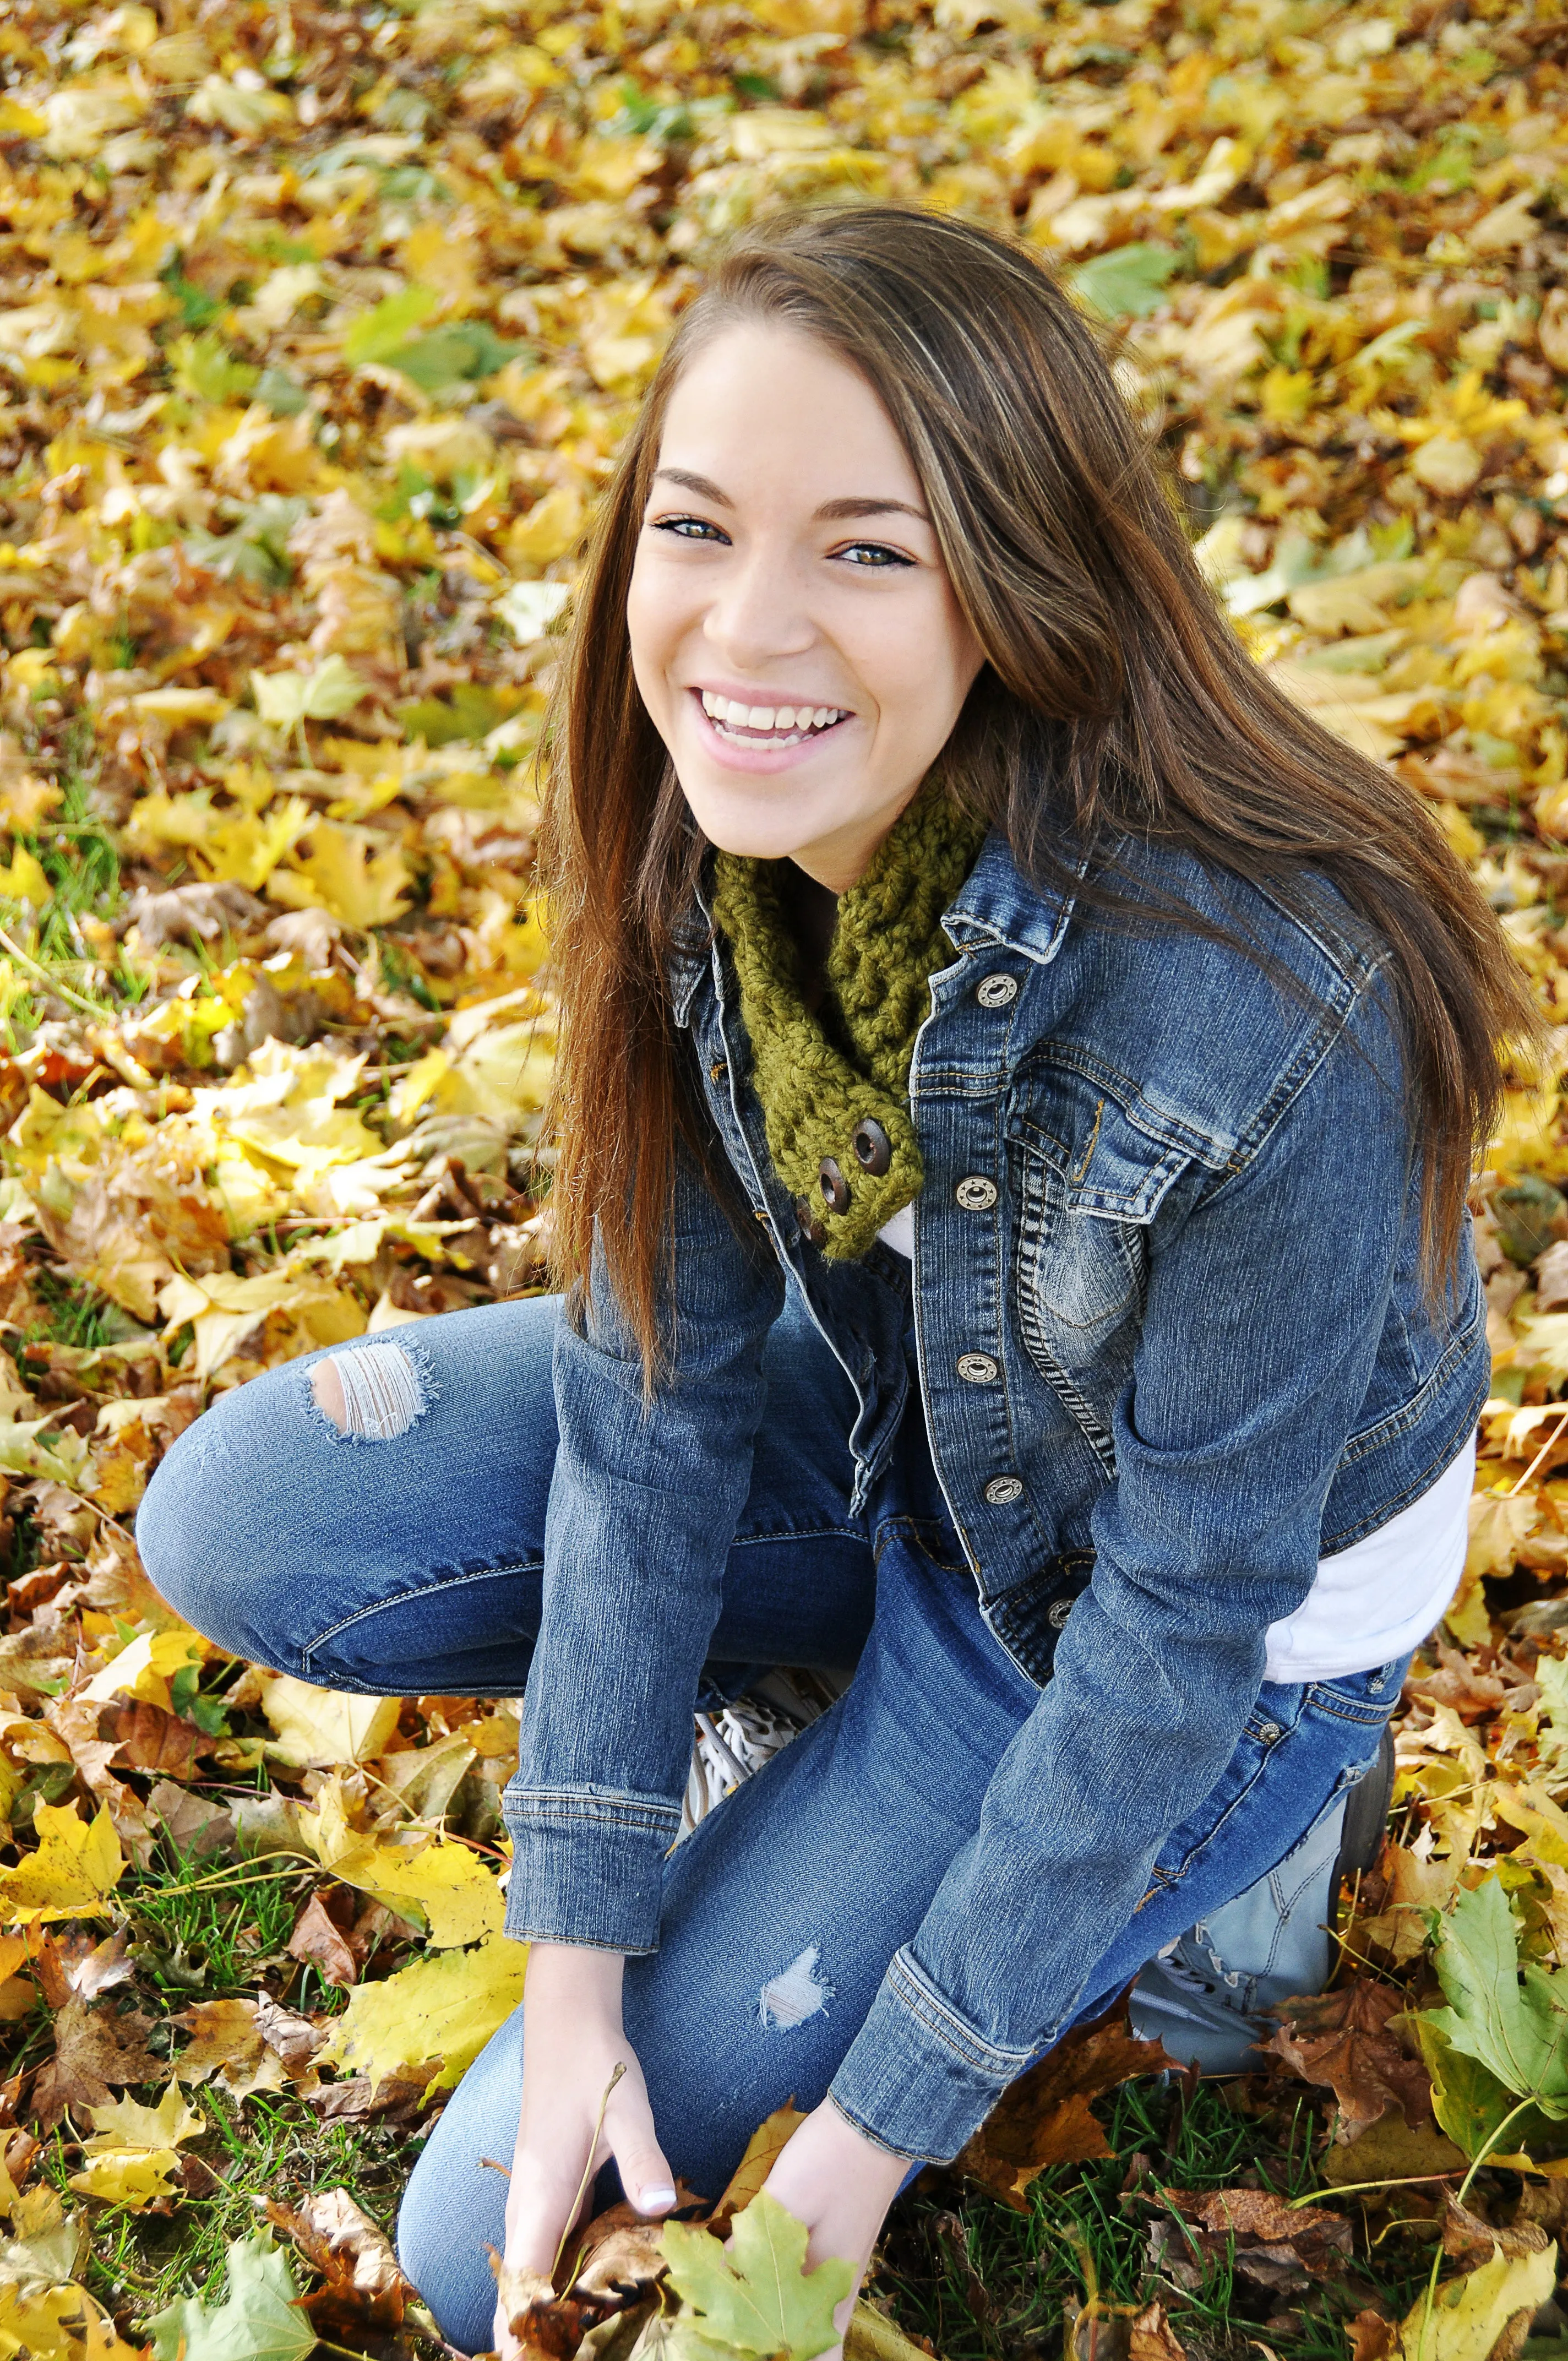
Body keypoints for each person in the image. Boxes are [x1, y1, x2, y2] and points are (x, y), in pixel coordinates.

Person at [136, 203, 1529, 2357]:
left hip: (1135, 1622)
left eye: (865, 551)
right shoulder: (727, 813)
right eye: (695, 526)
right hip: (900, 1405)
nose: (741, 630)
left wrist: (858, 2147)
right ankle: (801, 1711)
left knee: (463, 2237)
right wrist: (580, 1948)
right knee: (252, 1509)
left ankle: (1221, 1837)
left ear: (1018, 579)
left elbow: (1172, 1621)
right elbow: (656, 1385)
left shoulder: (1257, 1015)